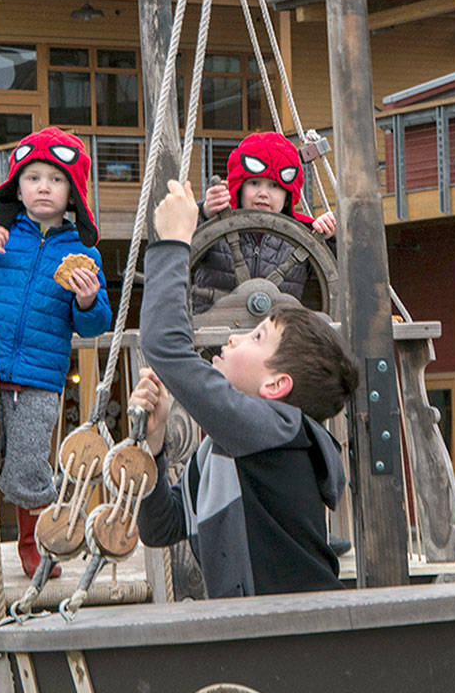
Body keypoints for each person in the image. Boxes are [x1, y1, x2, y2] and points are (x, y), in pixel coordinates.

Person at [130, 177, 358, 600]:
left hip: (297, 626)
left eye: (256, 337)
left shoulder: (272, 430)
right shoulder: (224, 447)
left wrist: (174, 243)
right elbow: (162, 527)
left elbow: (164, 346)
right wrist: (155, 449)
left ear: (276, 385)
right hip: (262, 625)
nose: (234, 338)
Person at [0, 127, 112, 583]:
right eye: (33, 178)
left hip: (38, 382)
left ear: (73, 192)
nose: (43, 187)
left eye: (56, 179)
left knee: (29, 467)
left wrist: (87, 300)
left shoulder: (83, 253)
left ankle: (35, 548)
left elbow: (94, 324)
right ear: (17, 187)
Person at [193, 131, 336, 312]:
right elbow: (179, 250)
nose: (263, 193)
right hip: (212, 328)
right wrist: (204, 213)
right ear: (239, 187)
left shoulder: (304, 237)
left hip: (281, 329)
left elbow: (333, 280)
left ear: (288, 196)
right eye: (254, 183)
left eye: (274, 186)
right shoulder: (214, 226)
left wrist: (330, 239)